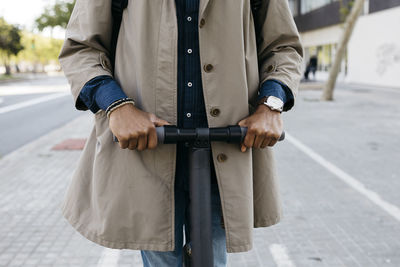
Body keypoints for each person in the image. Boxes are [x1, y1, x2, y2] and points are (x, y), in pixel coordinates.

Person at [58, 0, 303, 266]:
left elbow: (284, 47)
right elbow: (82, 49)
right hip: (146, 152)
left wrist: (271, 104)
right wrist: (117, 107)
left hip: (226, 151)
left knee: (213, 260)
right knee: (160, 260)